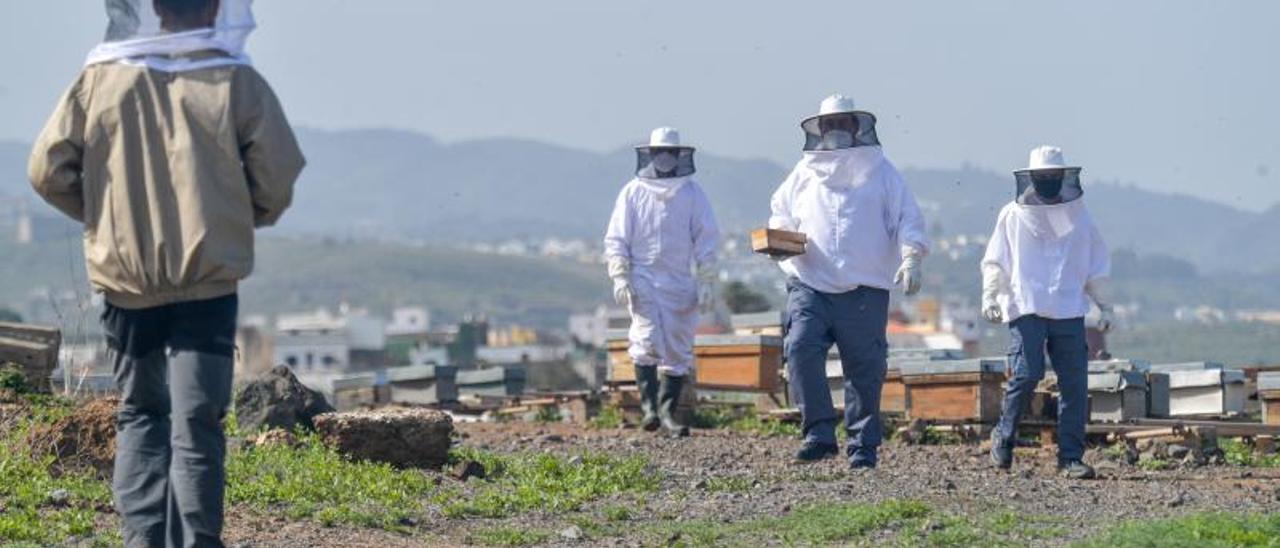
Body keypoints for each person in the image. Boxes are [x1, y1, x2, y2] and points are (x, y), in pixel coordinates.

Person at [28, 0, 305, 545]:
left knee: (140, 415)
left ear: (149, 7)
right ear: (217, 7)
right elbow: (276, 176)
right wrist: (239, 216)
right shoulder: (234, 80)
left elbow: (46, 170)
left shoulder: (100, 80)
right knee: (198, 426)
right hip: (207, 285)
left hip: (126, 284)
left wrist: (105, 219)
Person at [769, 95, 929, 468]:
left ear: (856, 128)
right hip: (809, 282)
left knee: (865, 368)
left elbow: (909, 218)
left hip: (865, 288)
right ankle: (819, 433)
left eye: (843, 124)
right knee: (800, 349)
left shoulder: (882, 172)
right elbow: (781, 214)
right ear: (820, 130)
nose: (836, 131)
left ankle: (863, 447)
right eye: (830, 125)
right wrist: (778, 241)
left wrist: (911, 256)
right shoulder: (803, 173)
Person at [982, 145, 1113, 480]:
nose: (1050, 181)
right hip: (1026, 305)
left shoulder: (1080, 215)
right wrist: (991, 295)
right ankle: (1004, 436)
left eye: (1055, 176)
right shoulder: (1012, 214)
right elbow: (996, 259)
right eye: (1044, 176)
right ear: (1032, 177)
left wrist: (1104, 303)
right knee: (1027, 373)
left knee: (1074, 383)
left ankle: (1070, 458)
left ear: (1064, 176)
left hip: (1069, 307)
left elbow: (1095, 263)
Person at [604, 127, 721, 438]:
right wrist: (620, 274)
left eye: (671, 152)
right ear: (651, 155)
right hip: (643, 277)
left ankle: (668, 413)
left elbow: (706, 238)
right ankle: (649, 410)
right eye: (660, 153)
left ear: (679, 155)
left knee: (678, 348)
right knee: (646, 339)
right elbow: (617, 237)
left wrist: (707, 280)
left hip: (680, 280)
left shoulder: (692, 193)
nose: (666, 158)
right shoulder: (633, 192)